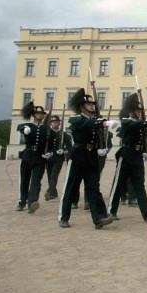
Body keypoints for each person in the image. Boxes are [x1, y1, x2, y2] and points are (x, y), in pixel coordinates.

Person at [58, 88, 117, 229]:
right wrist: (102, 122)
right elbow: (85, 124)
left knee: (93, 188)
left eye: (92, 104)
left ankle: (100, 218)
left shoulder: (95, 119)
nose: (92, 106)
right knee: (71, 187)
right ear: (82, 106)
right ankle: (63, 217)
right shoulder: (77, 118)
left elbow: (97, 133)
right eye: (89, 104)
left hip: (91, 156)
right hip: (78, 155)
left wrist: (102, 147)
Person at [106, 93, 147, 222]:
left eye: (140, 110)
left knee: (139, 185)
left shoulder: (139, 122)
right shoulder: (127, 121)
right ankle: (111, 211)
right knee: (118, 184)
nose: (139, 113)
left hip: (137, 156)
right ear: (130, 111)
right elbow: (135, 125)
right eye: (136, 110)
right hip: (126, 155)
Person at [15, 102, 48, 213]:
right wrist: (24, 128)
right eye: (37, 113)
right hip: (28, 156)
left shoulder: (46, 128)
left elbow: (52, 143)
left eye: (41, 114)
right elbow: (19, 126)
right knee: (24, 180)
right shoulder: (28, 126)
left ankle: (32, 202)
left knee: (36, 180)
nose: (40, 115)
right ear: (34, 115)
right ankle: (22, 202)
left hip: (40, 157)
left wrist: (50, 153)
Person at [44, 115, 72, 201]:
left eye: (57, 122)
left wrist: (63, 151)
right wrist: (45, 153)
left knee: (54, 175)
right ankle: (54, 193)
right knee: (49, 175)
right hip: (48, 157)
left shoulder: (64, 135)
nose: (55, 124)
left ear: (60, 123)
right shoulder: (47, 133)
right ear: (50, 123)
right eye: (53, 122)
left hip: (58, 158)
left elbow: (69, 147)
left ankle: (50, 192)